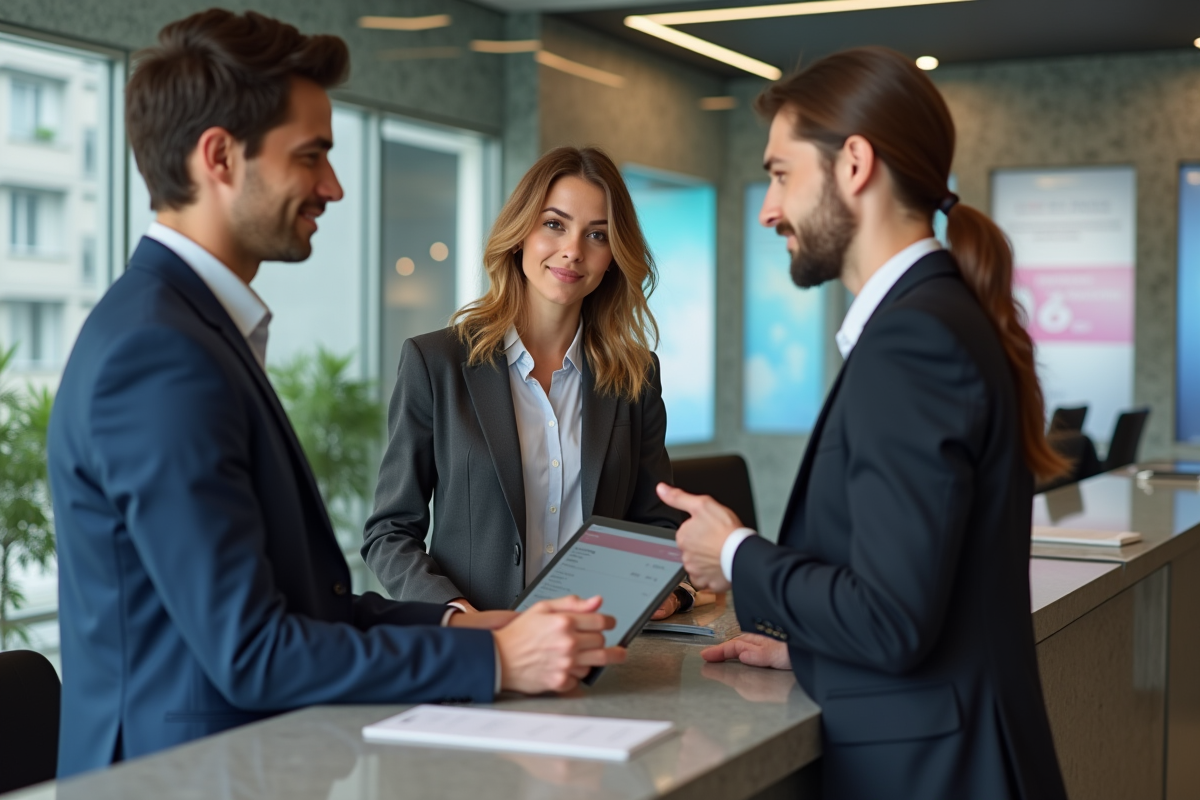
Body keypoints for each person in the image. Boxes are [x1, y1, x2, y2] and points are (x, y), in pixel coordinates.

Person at [47, 10, 623, 778]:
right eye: (311, 156)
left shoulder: (190, 331)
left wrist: (467, 626)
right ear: (219, 157)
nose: (334, 187)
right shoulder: (160, 354)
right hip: (182, 776)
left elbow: (304, 607)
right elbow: (253, 652)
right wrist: (491, 659)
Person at [659, 47, 1070, 800]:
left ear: (854, 164)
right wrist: (815, 650)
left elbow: (890, 617)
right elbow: (922, 597)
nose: (767, 208)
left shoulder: (913, 340)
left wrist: (736, 552)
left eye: (780, 174)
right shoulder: (936, 318)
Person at [363, 146, 693, 618]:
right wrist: (458, 617)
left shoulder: (635, 375)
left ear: (613, 257)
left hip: (596, 650)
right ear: (520, 235)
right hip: (480, 653)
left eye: (597, 234)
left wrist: (674, 593)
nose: (573, 251)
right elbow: (390, 532)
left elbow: (656, 523)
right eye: (554, 224)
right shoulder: (436, 362)